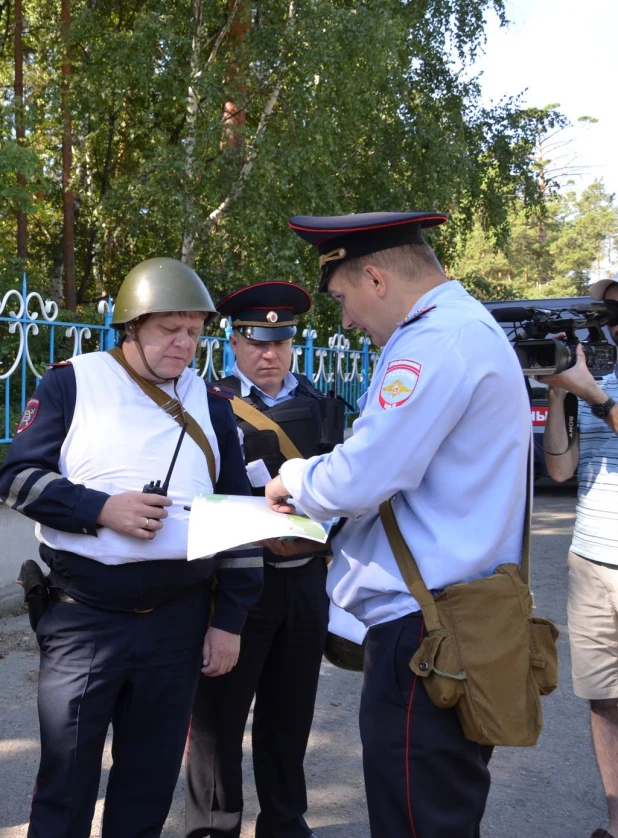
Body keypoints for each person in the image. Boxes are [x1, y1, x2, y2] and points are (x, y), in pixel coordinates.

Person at [263, 212, 531, 838]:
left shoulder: (436, 341)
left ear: (376, 279)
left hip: (428, 634)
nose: (347, 321)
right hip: (449, 618)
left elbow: (364, 474)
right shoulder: (460, 329)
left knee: (418, 817)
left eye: (342, 300)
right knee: (434, 809)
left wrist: (293, 480)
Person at [0, 257, 263, 838]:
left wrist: (231, 621)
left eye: (193, 331)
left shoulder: (213, 406)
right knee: (65, 783)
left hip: (178, 623)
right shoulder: (72, 381)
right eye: (169, 328)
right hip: (82, 620)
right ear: (132, 326)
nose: (183, 344)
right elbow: (16, 479)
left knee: (147, 783)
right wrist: (100, 509)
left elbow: (241, 520)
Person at [185, 281, 344, 838]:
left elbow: (348, 490)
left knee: (290, 714)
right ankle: (213, 826)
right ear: (234, 342)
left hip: (304, 582)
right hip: (236, 583)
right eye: (257, 343)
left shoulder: (326, 405)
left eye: (280, 341)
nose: (269, 354)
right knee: (217, 720)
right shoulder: (206, 404)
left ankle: (284, 822)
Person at [541, 274, 618, 838]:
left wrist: (595, 396)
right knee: (604, 700)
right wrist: (560, 391)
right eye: (605, 310)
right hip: (591, 560)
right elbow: (562, 471)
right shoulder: (600, 379)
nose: (612, 319)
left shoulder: (604, 390)